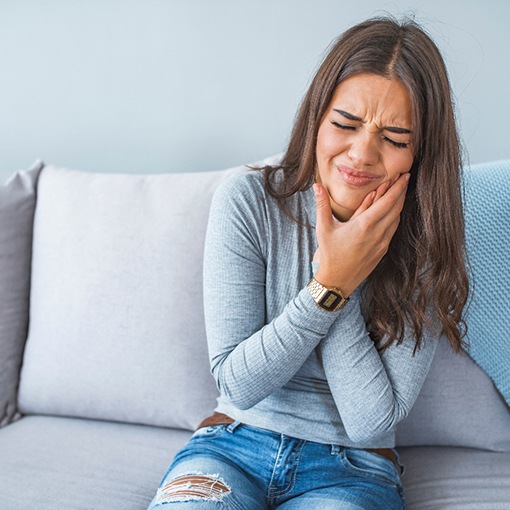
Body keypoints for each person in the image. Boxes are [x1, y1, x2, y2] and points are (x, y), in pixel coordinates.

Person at [147, 15, 469, 510]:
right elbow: (238, 382)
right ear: (316, 118)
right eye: (345, 123)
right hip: (231, 446)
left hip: (354, 469)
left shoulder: (426, 240)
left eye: (395, 138)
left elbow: (371, 422)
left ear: (419, 156)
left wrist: (348, 268)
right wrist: (330, 282)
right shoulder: (247, 201)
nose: (361, 153)